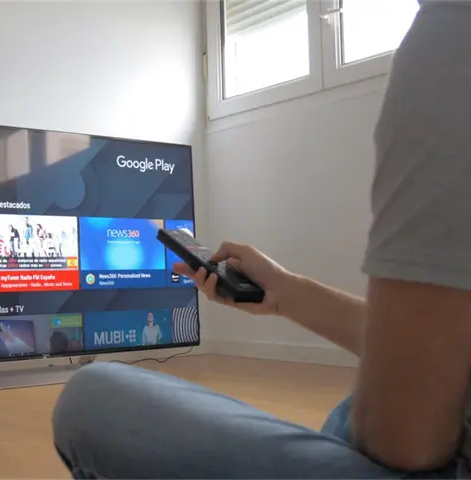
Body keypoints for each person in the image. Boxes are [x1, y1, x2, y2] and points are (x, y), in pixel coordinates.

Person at [52, 2, 471, 479]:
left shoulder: (451, 35)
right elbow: (428, 354)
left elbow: (404, 440)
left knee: (91, 397)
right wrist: (286, 292)